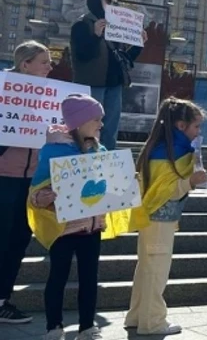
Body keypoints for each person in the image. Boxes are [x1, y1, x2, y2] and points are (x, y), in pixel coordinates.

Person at [28, 94, 132, 340]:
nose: (101, 125)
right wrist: (42, 198)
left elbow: (109, 185)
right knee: (58, 277)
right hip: (63, 229)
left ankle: (88, 326)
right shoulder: (53, 150)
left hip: (92, 227)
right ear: (80, 121)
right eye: (96, 119)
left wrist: (124, 184)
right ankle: (54, 327)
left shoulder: (101, 149)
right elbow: (37, 188)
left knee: (89, 277)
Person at [126, 99, 207, 335]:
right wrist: (189, 182)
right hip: (160, 221)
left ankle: (137, 316)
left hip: (151, 219)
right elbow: (164, 192)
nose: (198, 132)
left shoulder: (159, 147)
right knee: (156, 271)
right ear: (181, 126)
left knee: (146, 268)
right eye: (196, 127)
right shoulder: (171, 153)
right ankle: (152, 322)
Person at [0, 41, 53, 324]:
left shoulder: (48, 96)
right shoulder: (2, 91)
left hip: (30, 179)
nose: (50, 67)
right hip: (4, 177)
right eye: (44, 62)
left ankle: (2, 300)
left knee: (18, 240)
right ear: (25, 65)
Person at [70, 0, 146, 151]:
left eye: (116, 3)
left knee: (110, 130)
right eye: (108, 1)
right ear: (96, 2)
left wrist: (139, 44)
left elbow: (124, 59)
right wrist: (96, 35)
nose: (113, 6)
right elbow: (81, 56)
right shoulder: (82, 25)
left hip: (114, 86)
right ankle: (84, 161)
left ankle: (107, 164)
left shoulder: (116, 27)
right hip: (91, 85)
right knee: (88, 127)